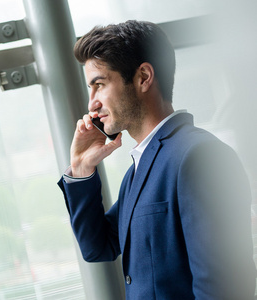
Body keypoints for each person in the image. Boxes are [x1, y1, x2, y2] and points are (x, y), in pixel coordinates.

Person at [58, 20, 256, 299]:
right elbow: (97, 248)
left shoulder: (200, 157)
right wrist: (80, 167)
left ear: (143, 77)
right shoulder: (137, 172)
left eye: (99, 84)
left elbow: (222, 290)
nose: (91, 103)